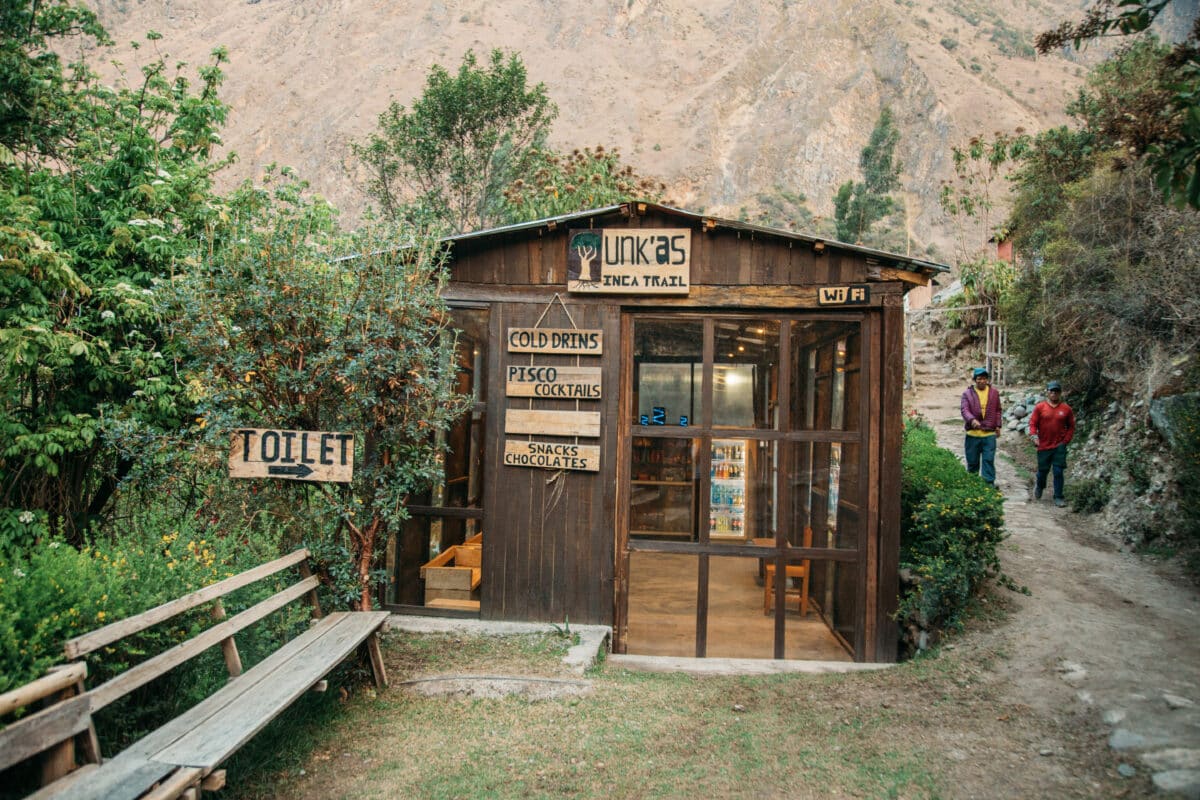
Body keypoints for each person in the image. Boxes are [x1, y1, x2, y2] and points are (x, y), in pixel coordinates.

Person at [1028, 380, 1075, 507]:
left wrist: (1066, 441)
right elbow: (1033, 423)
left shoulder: (1066, 409)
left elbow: (1071, 426)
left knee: (1058, 471)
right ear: (1047, 392)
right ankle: (1040, 485)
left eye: (1056, 391)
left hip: (1059, 445)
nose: (1054, 393)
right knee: (1043, 471)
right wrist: (1034, 436)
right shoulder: (1040, 407)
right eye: (1051, 391)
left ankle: (1058, 496)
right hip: (1043, 445)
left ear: (1060, 393)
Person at [960, 367, 1002, 486]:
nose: (981, 381)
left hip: (989, 434)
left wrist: (998, 425)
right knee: (972, 461)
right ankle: (973, 484)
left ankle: (988, 484)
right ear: (975, 380)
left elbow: (998, 410)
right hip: (973, 434)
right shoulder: (967, 394)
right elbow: (964, 410)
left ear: (987, 380)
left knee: (988, 459)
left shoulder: (994, 393)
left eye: (984, 379)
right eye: (979, 379)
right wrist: (972, 419)